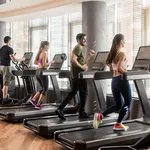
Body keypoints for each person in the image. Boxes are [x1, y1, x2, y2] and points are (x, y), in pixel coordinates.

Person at [93, 33, 132, 131]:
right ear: (120, 41)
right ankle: (118, 123)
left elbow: (112, 69)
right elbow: (119, 68)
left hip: (114, 80)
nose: (125, 42)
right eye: (124, 40)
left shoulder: (113, 54)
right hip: (122, 80)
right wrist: (127, 72)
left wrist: (120, 70)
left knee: (119, 104)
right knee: (127, 102)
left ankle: (100, 116)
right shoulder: (121, 53)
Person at [55, 33, 95, 120]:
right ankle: (81, 112)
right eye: (84, 39)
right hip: (79, 75)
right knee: (84, 93)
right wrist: (82, 67)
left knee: (73, 92)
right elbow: (73, 60)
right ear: (79, 40)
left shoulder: (79, 48)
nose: (85, 40)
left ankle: (60, 108)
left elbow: (81, 61)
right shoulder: (78, 47)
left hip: (77, 74)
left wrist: (89, 56)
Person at [0, 36, 25, 103]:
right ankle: (4, 99)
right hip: (6, 67)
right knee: (6, 83)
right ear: (9, 41)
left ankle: (4, 93)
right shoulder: (9, 49)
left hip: (1, 67)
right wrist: (21, 59)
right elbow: (14, 59)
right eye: (10, 41)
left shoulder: (1, 49)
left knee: (11, 78)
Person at [29, 41, 54, 109]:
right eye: (48, 46)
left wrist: (39, 65)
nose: (48, 47)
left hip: (38, 72)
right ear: (45, 46)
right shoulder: (45, 53)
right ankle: (38, 104)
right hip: (43, 72)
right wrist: (50, 62)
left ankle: (33, 99)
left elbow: (35, 62)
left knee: (43, 88)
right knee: (45, 89)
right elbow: (44, 65)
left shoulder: (40, 52)